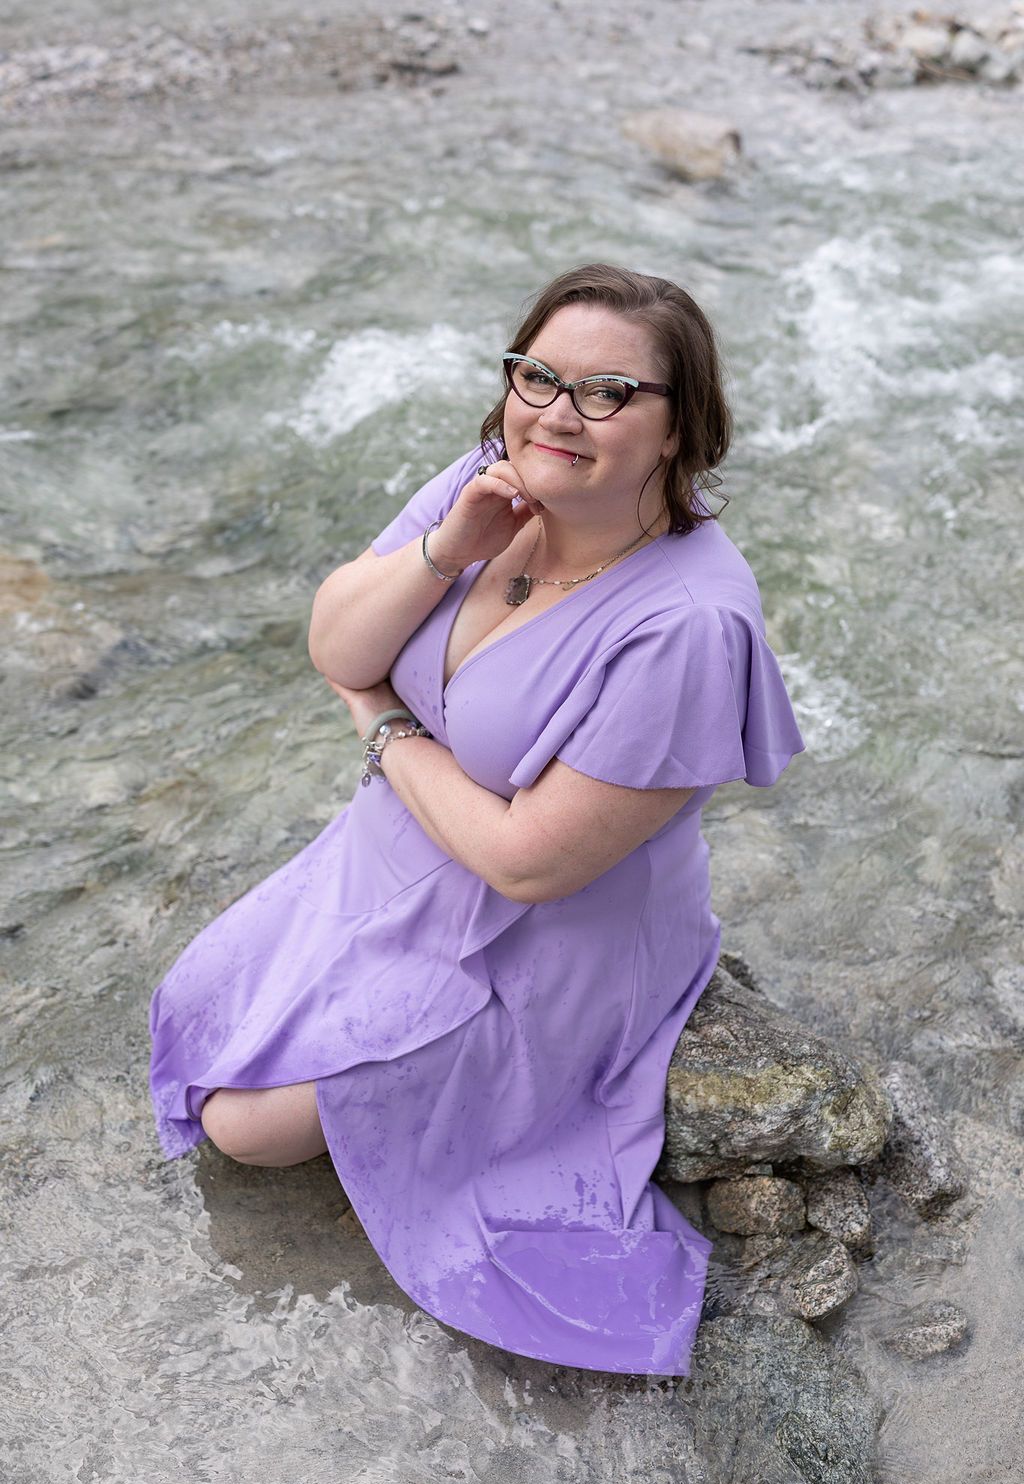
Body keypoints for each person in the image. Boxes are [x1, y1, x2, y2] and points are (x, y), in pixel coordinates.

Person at [149, 262, 805, 1376]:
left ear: (678, 426)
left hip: (547, 941)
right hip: (396, 854)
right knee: (192, 1017)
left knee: (245, 1130)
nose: (558, 413)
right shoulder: (496, 478)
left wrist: (381, 725)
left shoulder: (688, 627)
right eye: (536, 376)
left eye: (607, 392)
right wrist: (446, 549)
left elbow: (527, 863)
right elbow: (337, 645)